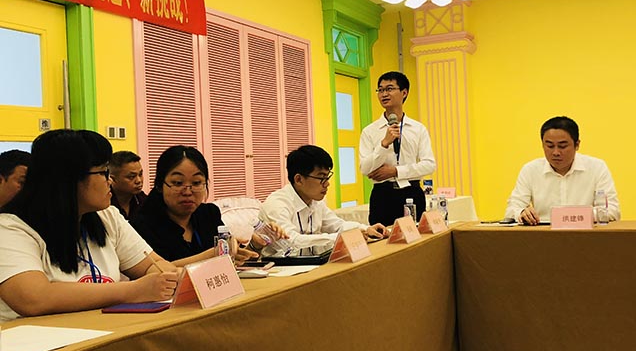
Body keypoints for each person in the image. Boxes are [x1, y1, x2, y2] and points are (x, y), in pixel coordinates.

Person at [0, 130, 179, 321]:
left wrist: (160, 279)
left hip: (108, 330)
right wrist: (134, 290)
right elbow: (33, 298)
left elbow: (154, 264)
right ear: (69, 179)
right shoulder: (10, 228)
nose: (110, 180)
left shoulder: (106, 217)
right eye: (103, 172)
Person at [132, 145, 283, 266]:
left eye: (196, 183)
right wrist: (213, 255)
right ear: (160, 185)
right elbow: (155, 271)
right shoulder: (142, 224)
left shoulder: (208, 214)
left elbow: (232, 262)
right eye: (178, 183)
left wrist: (255, 245)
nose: (188, 191)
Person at [260, 145, 388, 256]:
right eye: (321, 178)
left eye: (327, 177)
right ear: (298, 179)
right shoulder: (277, 204)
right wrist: (343, 238)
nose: (327, 184)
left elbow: (337, 225)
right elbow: (292, 242)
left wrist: (365, 229)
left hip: (311, 265)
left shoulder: (316, 200)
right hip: (279, 270)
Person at [505, 116, 621, 224]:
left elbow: (612, 211)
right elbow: (512, 210)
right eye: (550, 146)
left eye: (562, 146)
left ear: (577, 145)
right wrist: (522, 213)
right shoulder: (530, 170)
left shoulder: (597, 168)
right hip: (543, 235)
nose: (556, 152)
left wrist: (570, 216)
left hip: (586, 235)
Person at [359, 71, 436, 226]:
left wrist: (396, 171)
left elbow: (429, 165)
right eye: (380, 90)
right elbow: (365, 168)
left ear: (404, 92)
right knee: (381, 238)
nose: (384, 94)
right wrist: (384, 144)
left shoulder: (417, 129)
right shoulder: (370, 131)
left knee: (416, 237)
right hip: (382, 195)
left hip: (412, 192)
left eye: (389, 89)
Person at [109, 150, 147, 221]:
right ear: (113, 179)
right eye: (131, 177)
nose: (139, 180)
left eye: (140, 174)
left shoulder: (143, 200)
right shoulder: (103, 204)